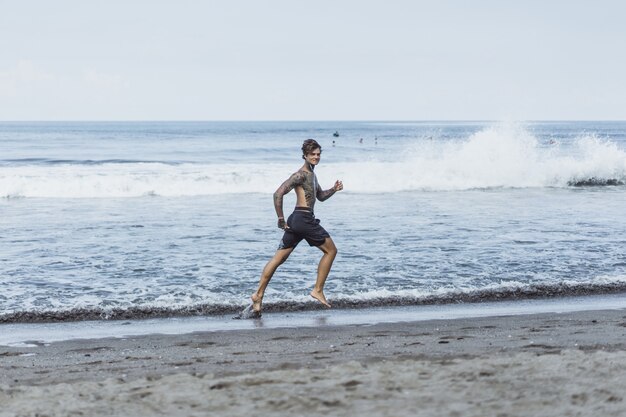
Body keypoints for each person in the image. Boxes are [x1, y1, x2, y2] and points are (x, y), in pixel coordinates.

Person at [251, 139, 343, 314]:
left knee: (278, 259)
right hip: (304, 219)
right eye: (312, 154)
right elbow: (278, 193)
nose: (316, 157)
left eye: (318, 154)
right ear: (305, 156)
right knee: (331, 251)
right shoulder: (300, 175)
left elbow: (321, 197)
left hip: (297, 220)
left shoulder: (312, 175)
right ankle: (318, 290)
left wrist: (334, 189)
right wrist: (280, 218)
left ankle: (258, 295)